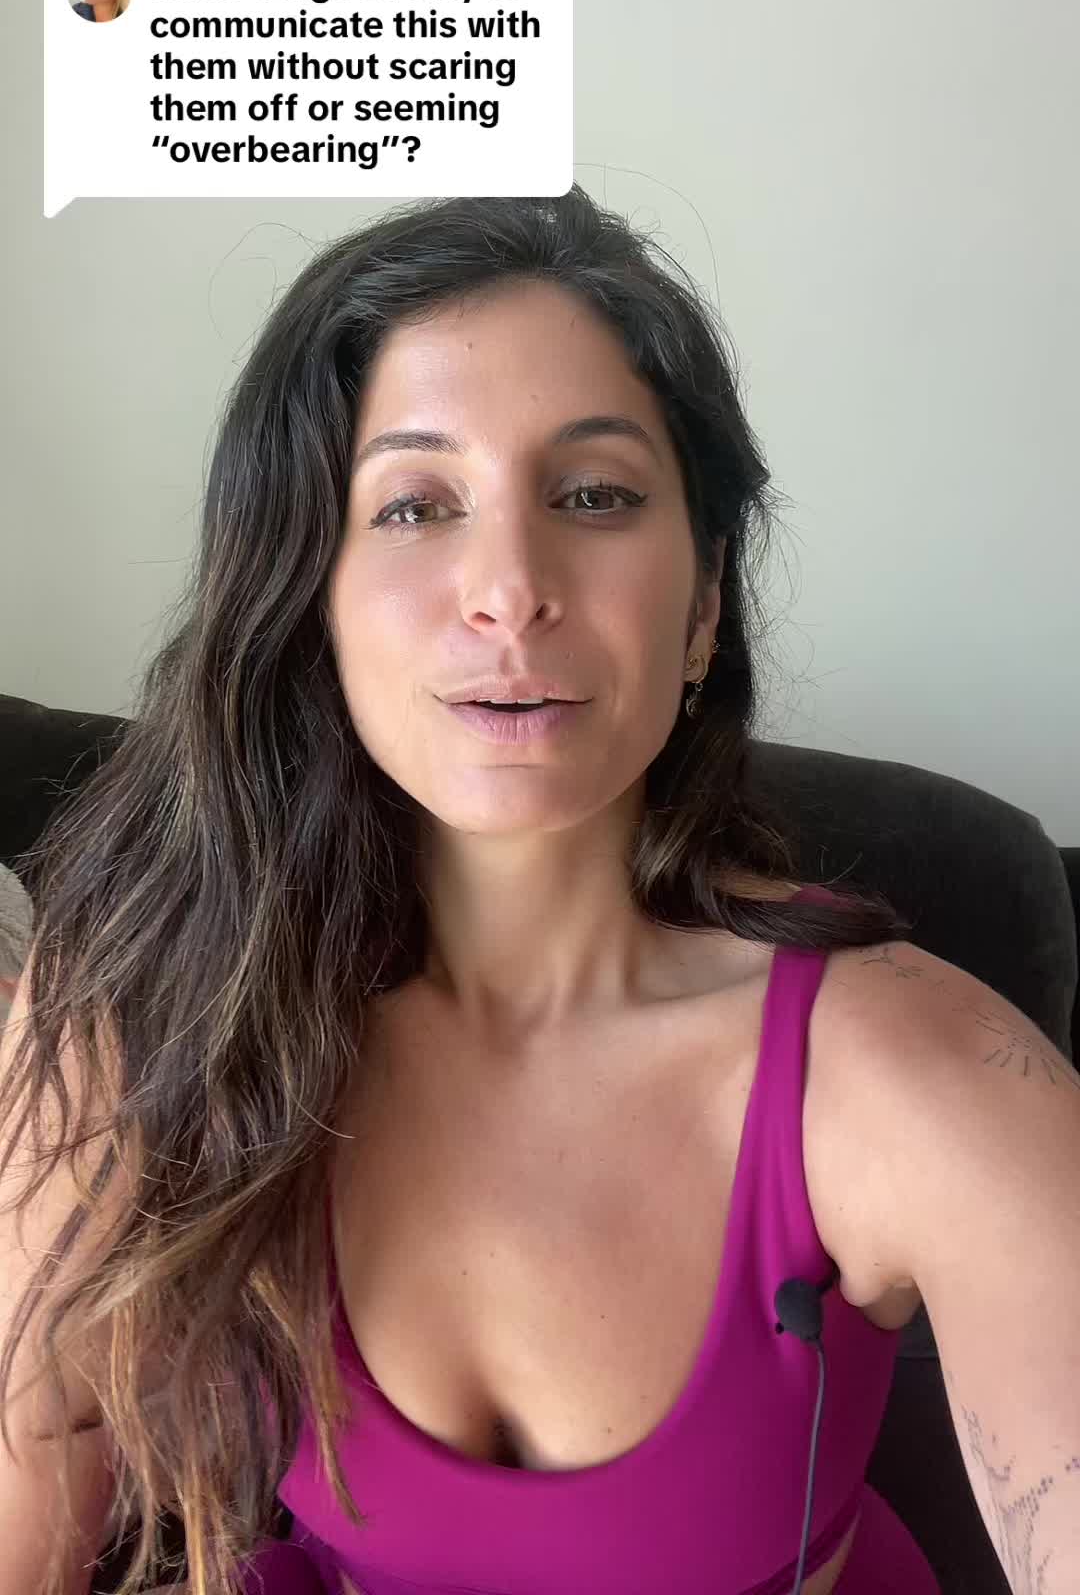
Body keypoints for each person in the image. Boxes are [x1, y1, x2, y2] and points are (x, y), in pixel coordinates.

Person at [0, 187, 940, 1595]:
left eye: (595, 496)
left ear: (702, 604)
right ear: (307, 599)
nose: (508, 589)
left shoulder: (905, 1069)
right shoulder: (136, 1016)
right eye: (416, 505)